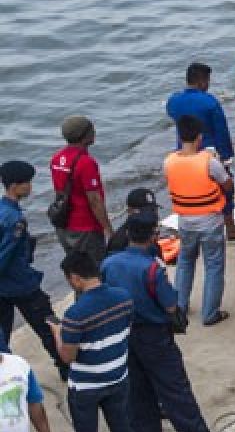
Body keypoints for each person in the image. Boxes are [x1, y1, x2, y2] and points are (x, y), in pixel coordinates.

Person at [101, 213, 232, 432]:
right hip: (154, 335)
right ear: (154, 236)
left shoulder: (109, 264)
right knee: (175, 390)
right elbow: (170, 304)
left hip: (124, 334)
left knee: (138, 392)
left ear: (127, 234)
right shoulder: (152, 268)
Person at [49, 251, 141, 432]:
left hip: (86, 387)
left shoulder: (75, 314)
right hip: (118, 376)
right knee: (123, 431)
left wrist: (58, 332)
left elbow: (68, 357)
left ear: (76, 278)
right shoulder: (124, 299)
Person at [165, 115, 232, 327]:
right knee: (213, 265)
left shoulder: (169, 161)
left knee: (185, 263)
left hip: (184, 220)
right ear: (199, 138)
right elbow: (228, 184)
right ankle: (210, 313)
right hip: (210, 220)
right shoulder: (209, 162)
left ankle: (180, 307)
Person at [0, 162, 65, 380]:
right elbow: (5, 255)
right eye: (26, 182)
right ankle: (67, 369)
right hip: (21, 284)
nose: (30, 187)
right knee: (49, 327)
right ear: (14, 186)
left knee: (2, 337)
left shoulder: (3, 210)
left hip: (4, 287)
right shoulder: (14, 220)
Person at [166, 63, 235, 241]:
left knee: (188, 189)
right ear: (202, 81)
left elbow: (173, 117)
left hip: (183, 151)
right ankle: (230, 227)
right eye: (207, 80)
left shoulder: (173, 101)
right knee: (225, 191)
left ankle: (190, 226)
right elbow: (221, 131)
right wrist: (226, 157)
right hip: (209, 153)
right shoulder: (210, 102)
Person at [49, 115, 112, 264]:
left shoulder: (57, 158)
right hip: (86, 227)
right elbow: (94, 200)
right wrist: (108, 229)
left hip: (64, 224)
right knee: (95, 270)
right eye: (92, 130)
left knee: (77, 269)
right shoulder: (86, 162)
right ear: (85, 137)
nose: (95, 133)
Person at [105, 188, 160, 257]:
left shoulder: (150, 231)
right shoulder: (120, 241)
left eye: (153, 209)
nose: (152, 213)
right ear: (130, 211)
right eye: (145, 211)